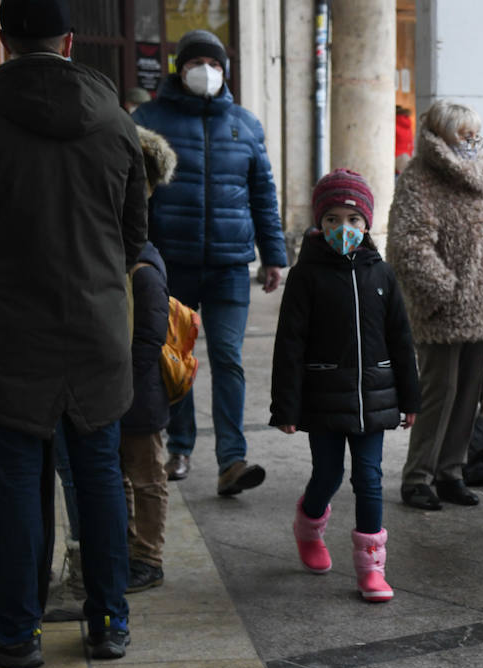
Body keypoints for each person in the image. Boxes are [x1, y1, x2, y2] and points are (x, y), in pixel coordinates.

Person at [0, 0, 147, 668]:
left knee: (16, 479)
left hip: (9, 334)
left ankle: (17, 631)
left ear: (3, 39)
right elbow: (135, 235)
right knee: (98, 473)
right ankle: (108, 623)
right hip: (96, 329)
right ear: (69, 41)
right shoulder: (115, 121)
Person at [133, 28, 289, 496]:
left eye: (216, 64)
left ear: (226, 70)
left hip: (228, 265)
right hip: (169, 264)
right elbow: (133, 195)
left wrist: (274, 256)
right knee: (173, 358)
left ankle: (231, 460)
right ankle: (180, 446)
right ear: (180, 68)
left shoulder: (245, 124)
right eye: (198, 63)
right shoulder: (148, 119)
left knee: (228, 358)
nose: (207, 72)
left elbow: (263, 195)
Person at [271, 170, 421, 603]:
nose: (344, 228)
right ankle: (309, 525)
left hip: (373, 397)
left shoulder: (382, 275)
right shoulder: (306, 276)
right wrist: (287, 407)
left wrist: (410, 398)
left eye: (354, 219)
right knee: (329, 473)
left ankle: (372, 570)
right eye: (333, 219)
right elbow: (290, 343)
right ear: (320, 223)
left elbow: (401, 338)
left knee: (369, 478)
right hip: (323, 396)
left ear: (367, 223)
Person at [388, 100, 483, 511]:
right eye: (465, 133)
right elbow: (407, 245)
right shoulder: (419, 179)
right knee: (439, 391)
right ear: (441, 136)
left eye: (476, 133)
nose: (473, 141)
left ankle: (451, 471)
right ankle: (418, 475)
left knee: (469, 394)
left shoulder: (481, 175)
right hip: (445, 307)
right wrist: (445, 291)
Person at [123, 125, 180, 594]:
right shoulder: (131, 258)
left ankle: (149, 556)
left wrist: (123, 384)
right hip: (123, 390)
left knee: (147, 476)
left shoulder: (143, 266)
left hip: (139, 394)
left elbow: (148, 340)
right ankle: (130, 550)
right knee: (126, 477)